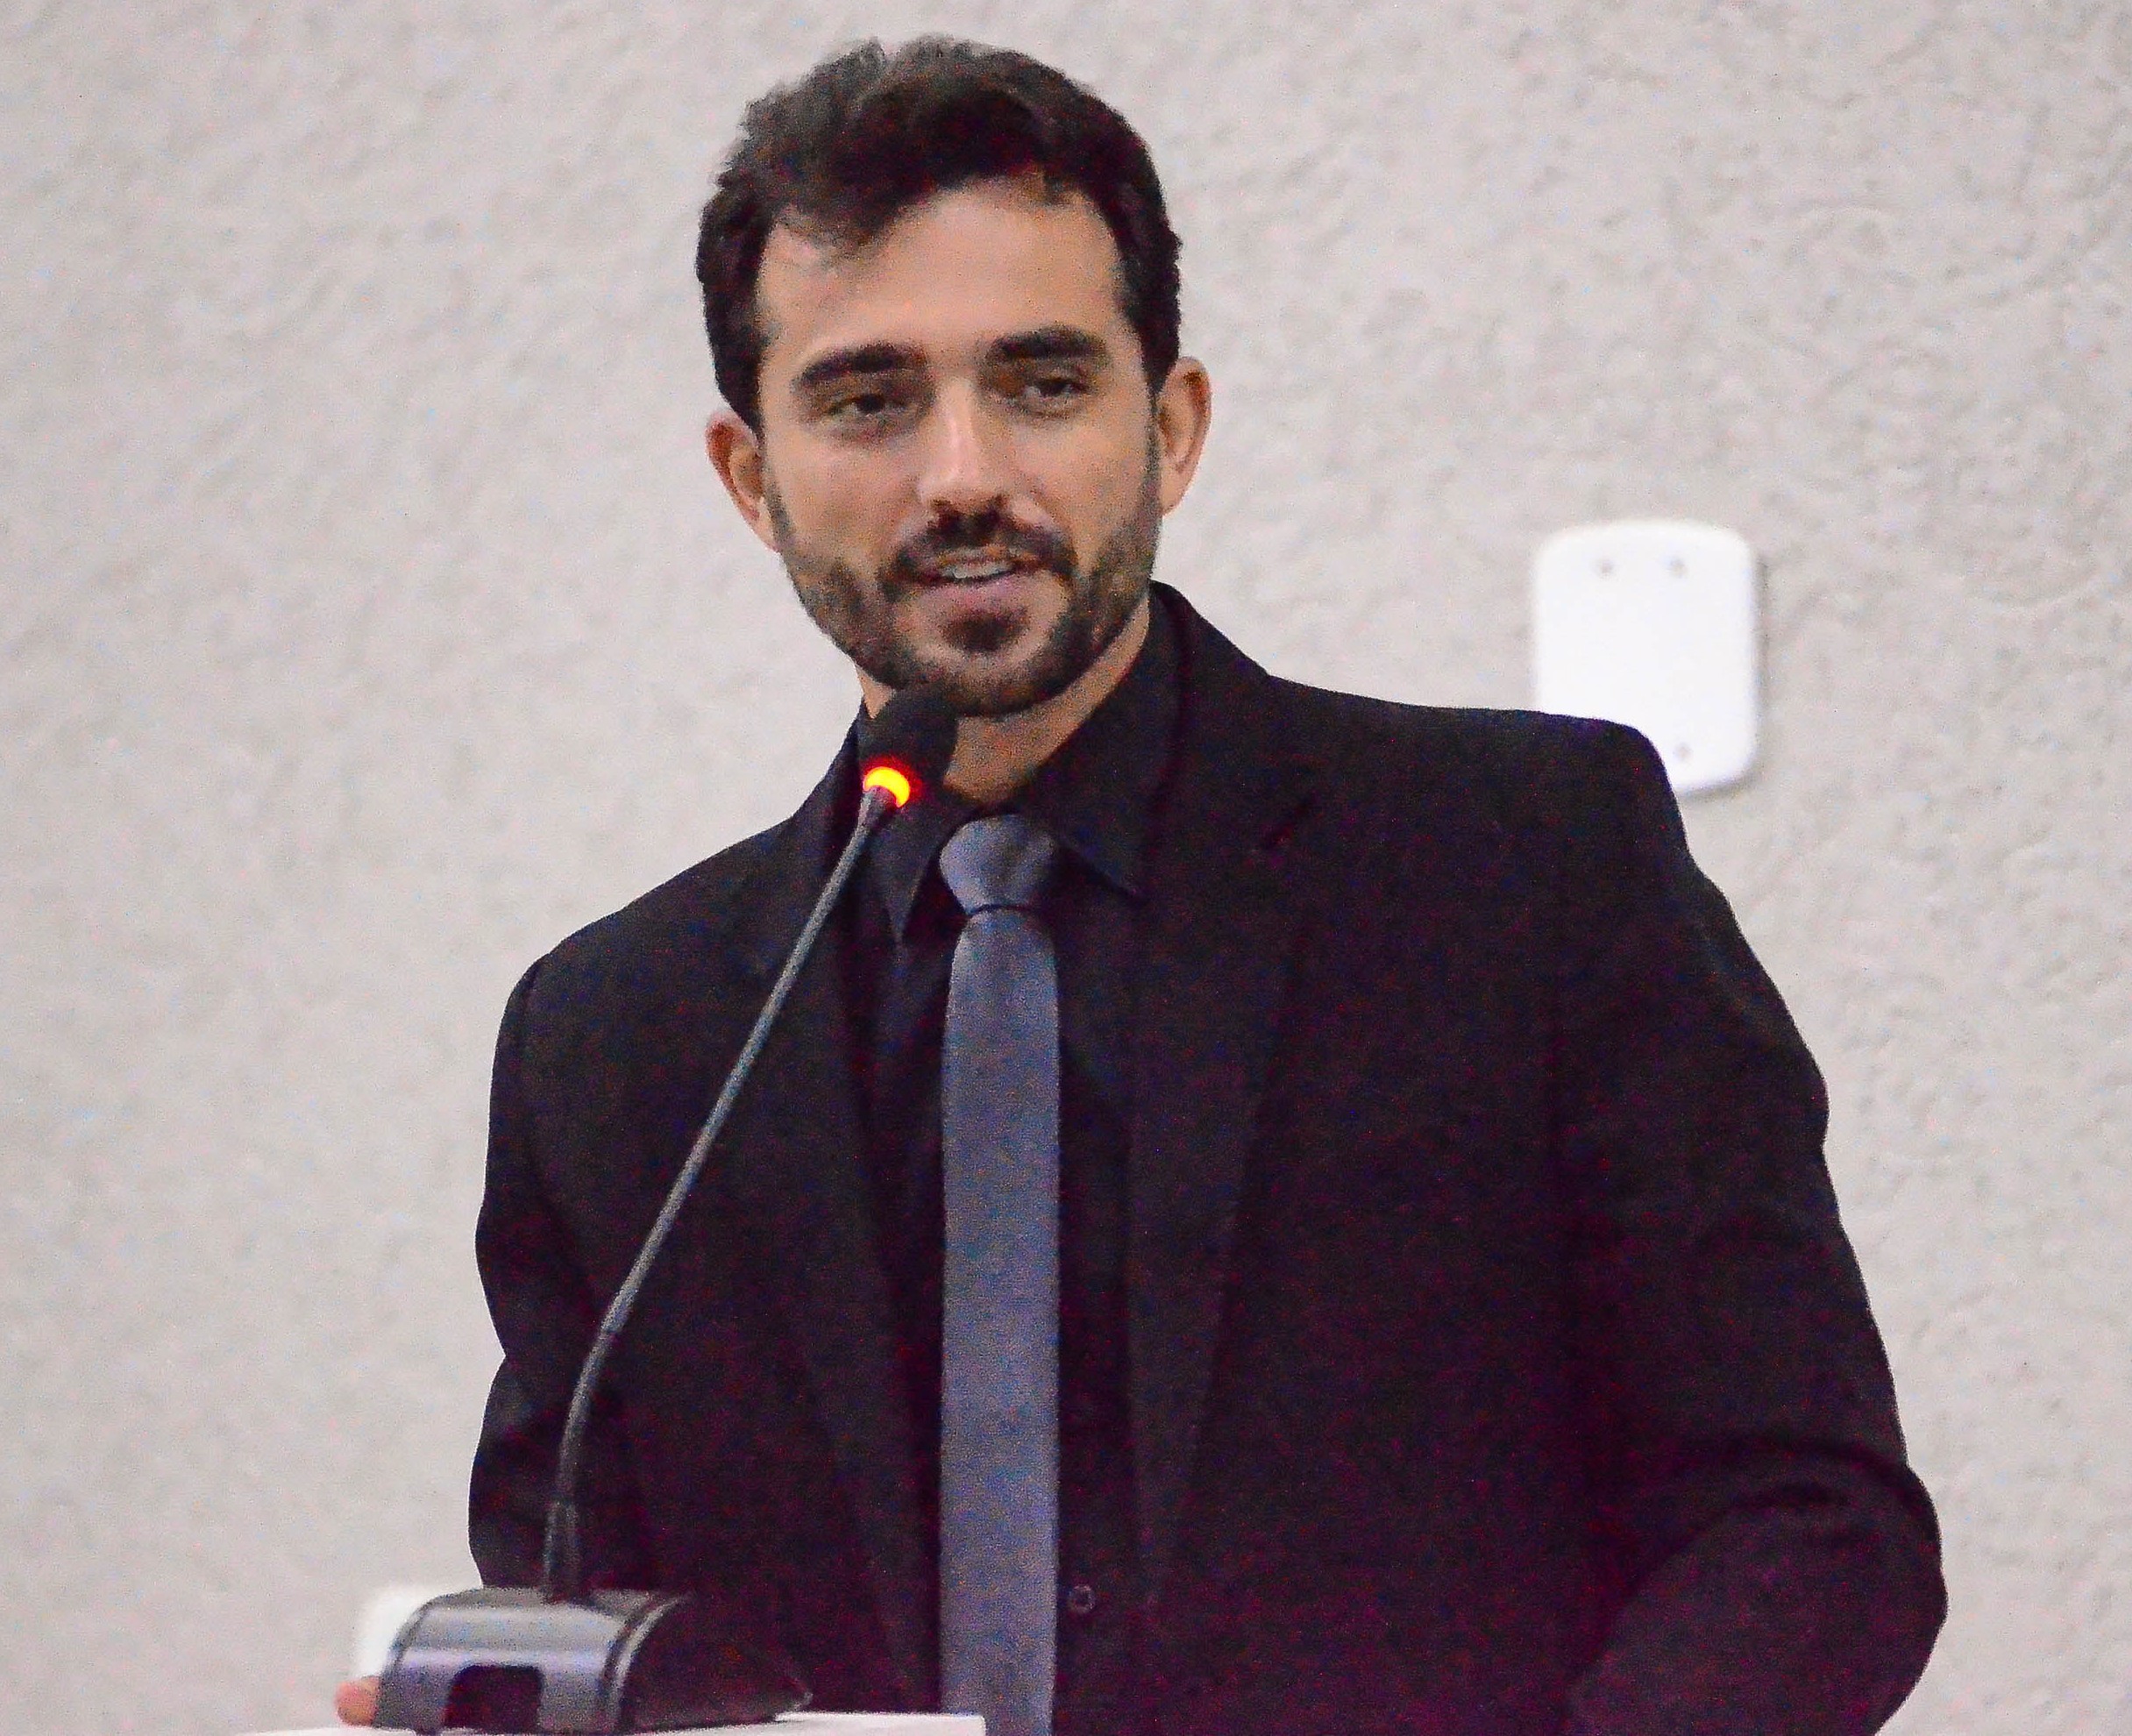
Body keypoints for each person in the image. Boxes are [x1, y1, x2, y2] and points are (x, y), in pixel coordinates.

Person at [338, 36, 1944, 1736]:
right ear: (753, 479)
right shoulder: (619, 1044)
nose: (963, 474)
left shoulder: (1528, 869)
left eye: (1042, 382)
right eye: (869, 400)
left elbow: (1807, 1531)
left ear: (1170, 431)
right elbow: (586, 1622)